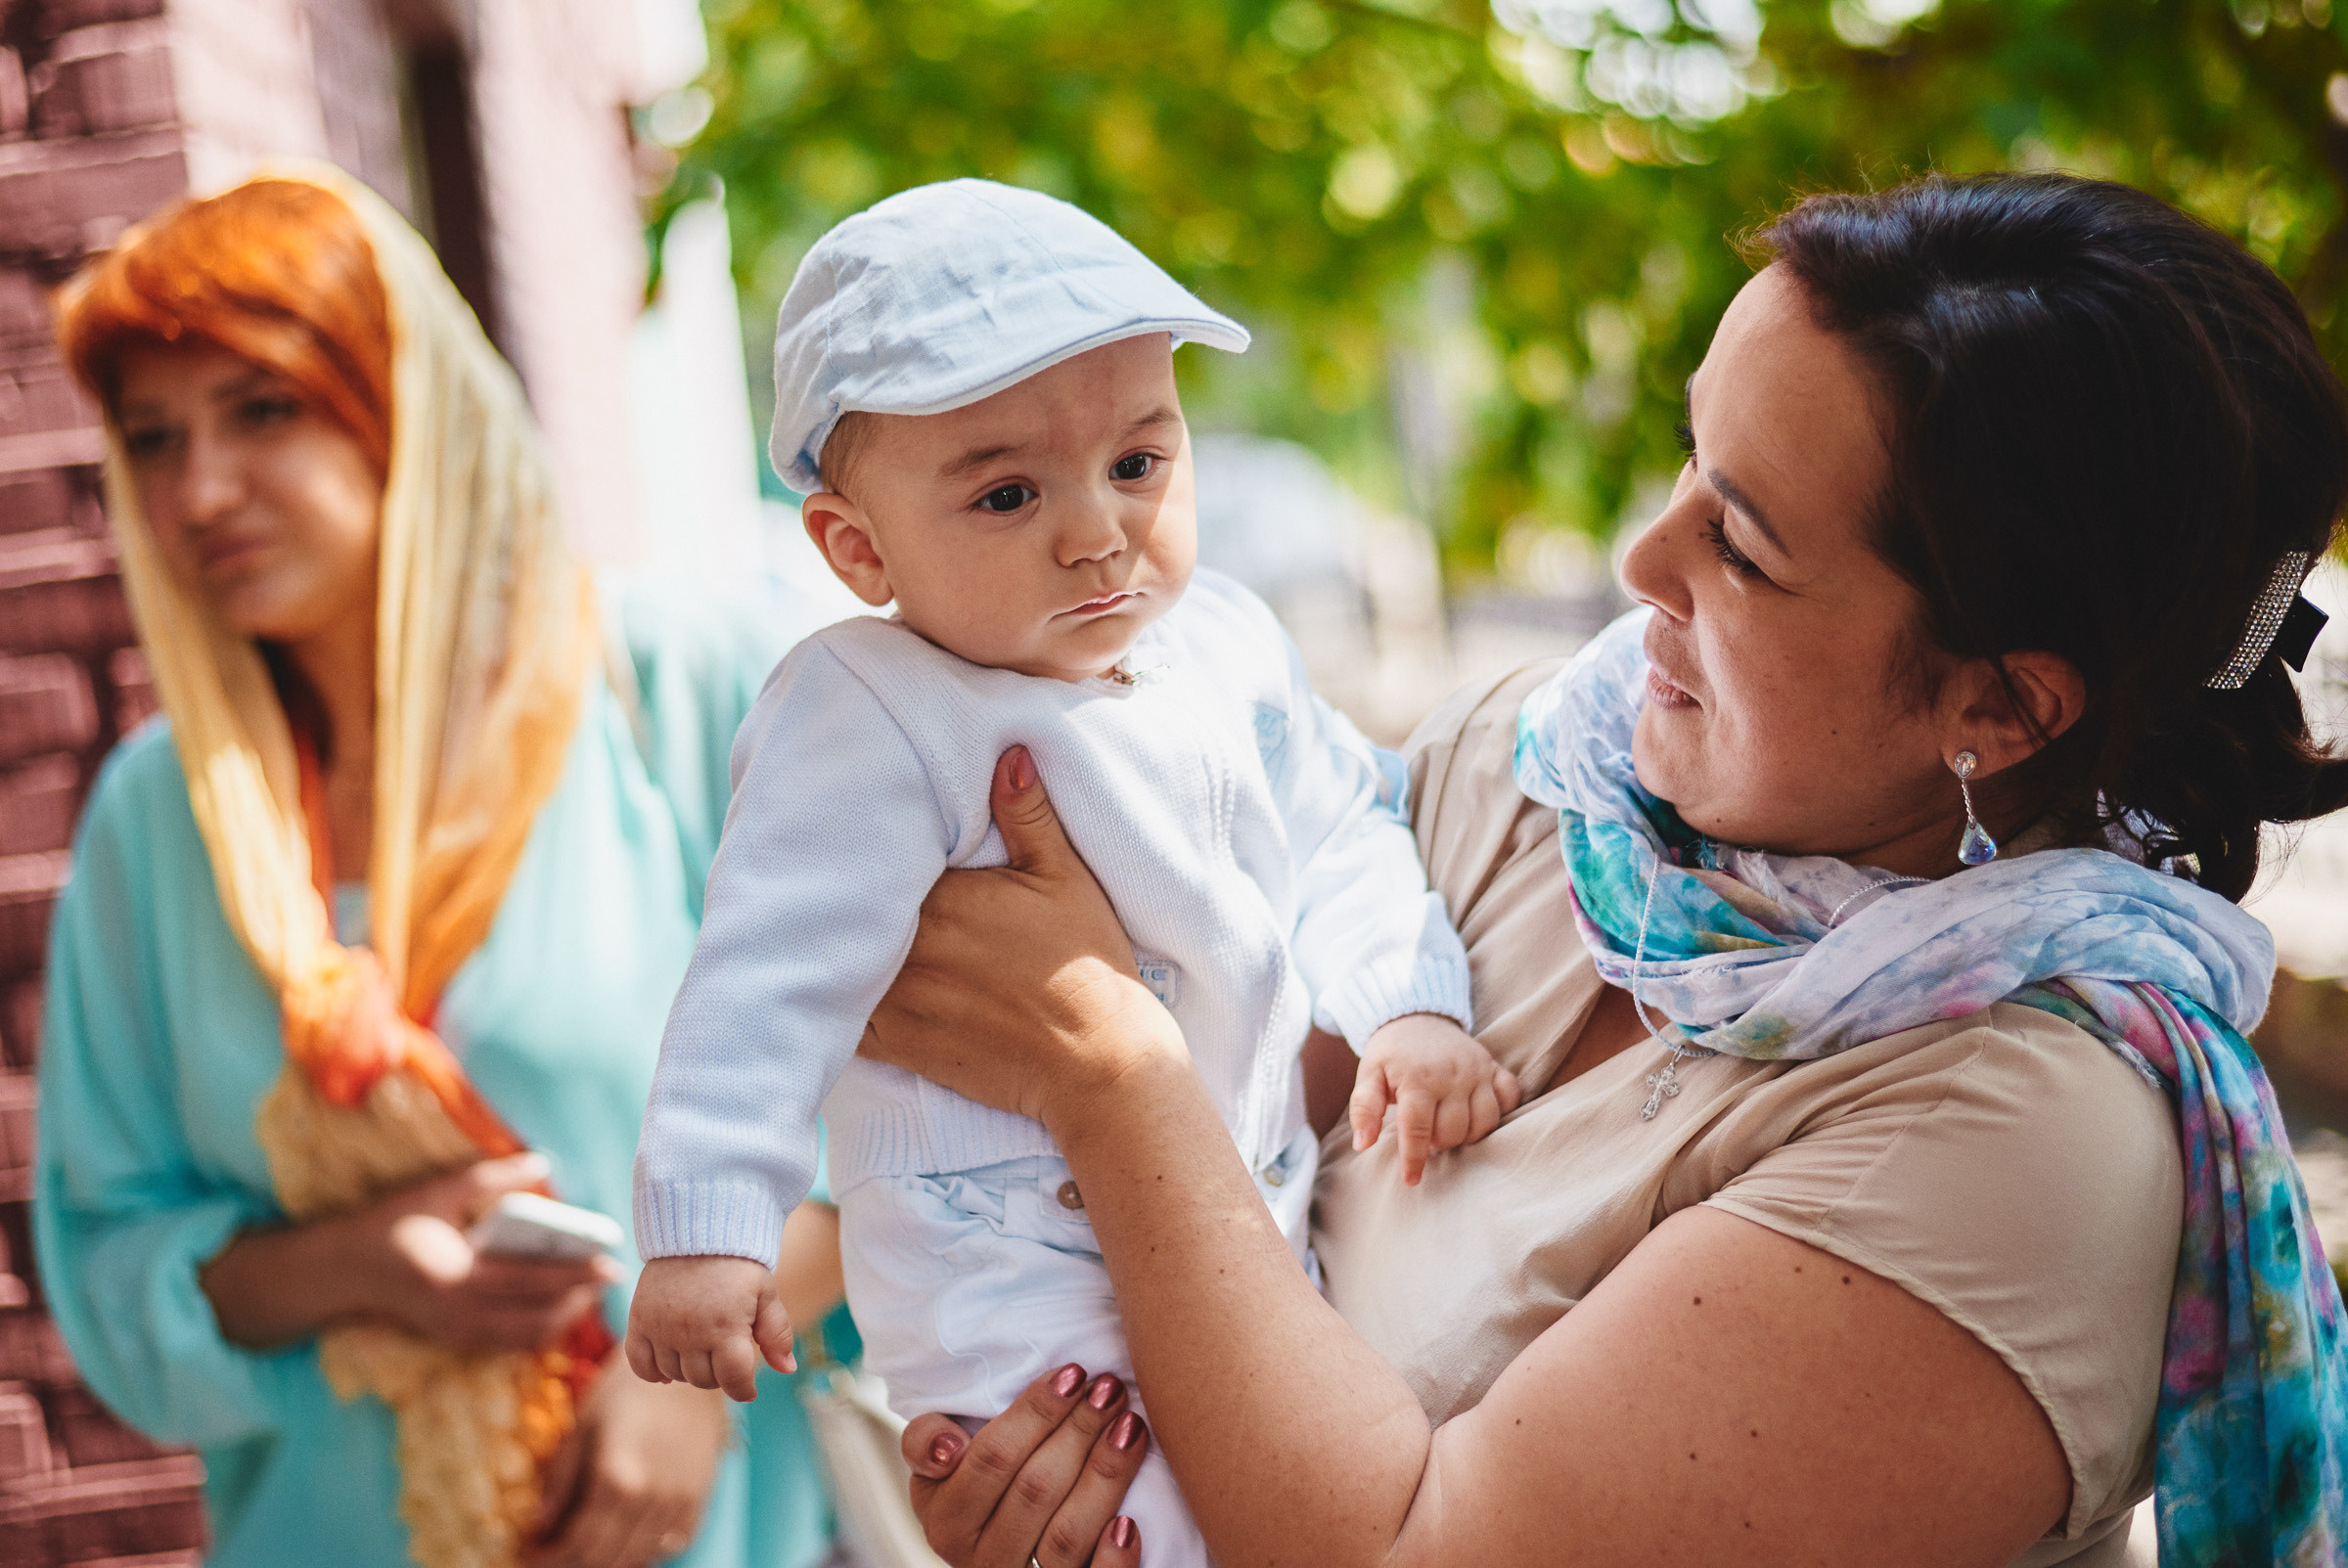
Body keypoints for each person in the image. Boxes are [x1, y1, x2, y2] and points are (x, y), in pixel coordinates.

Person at [851, 172, 2348, 1567]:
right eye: (1694, 455)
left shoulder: (2022, 1141)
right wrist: (1068, 1457)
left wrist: (1117, 1088)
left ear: (1998, 707)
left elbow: (1406, 1549)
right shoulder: (1543, 778)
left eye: (1745, 547)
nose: (1642, 559)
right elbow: (1183, 1197)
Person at [625, 179, 1510, 1568]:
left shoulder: (1226, 643)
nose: (1096, 530)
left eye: (1139, 465)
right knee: (1117, 1523)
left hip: (1247, 1208)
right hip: (1004, 1272)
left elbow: (1344, 822)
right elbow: (761, 973)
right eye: (1008, 491)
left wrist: (1406, 1002)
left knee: (1298, 1477)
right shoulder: (863, 709)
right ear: (859, 547)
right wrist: (706, 1226)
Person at [34, 169, 848, 1568]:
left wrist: (688, 1363)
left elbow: (924, 1107)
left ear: (405, 398)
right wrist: (352, 1271)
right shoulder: (158, 818)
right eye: (153, 440)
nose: (200, 491)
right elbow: (108, 1268)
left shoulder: (680, 687)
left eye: (264, 410)